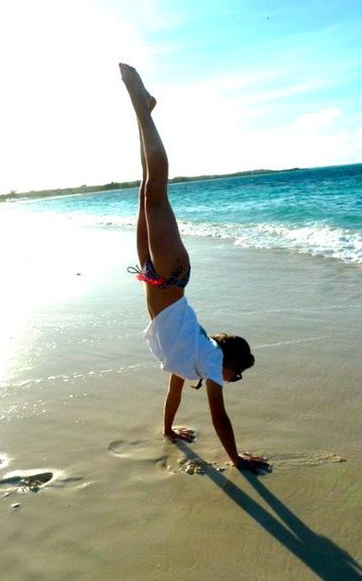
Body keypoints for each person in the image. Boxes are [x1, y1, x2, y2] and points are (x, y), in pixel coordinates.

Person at [119, 63, 269, 474]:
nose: (229, 382)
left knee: (145, 189)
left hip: (154, 276)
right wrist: (235, 459)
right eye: (234, 377)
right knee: (156, 190)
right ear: (228, 364)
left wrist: (168, 431)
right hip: (170, 277)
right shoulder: (206, 357)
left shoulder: (188, 366)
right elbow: (219, 417)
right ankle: (143, 110)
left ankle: (142, 113)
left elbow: (174, 395)